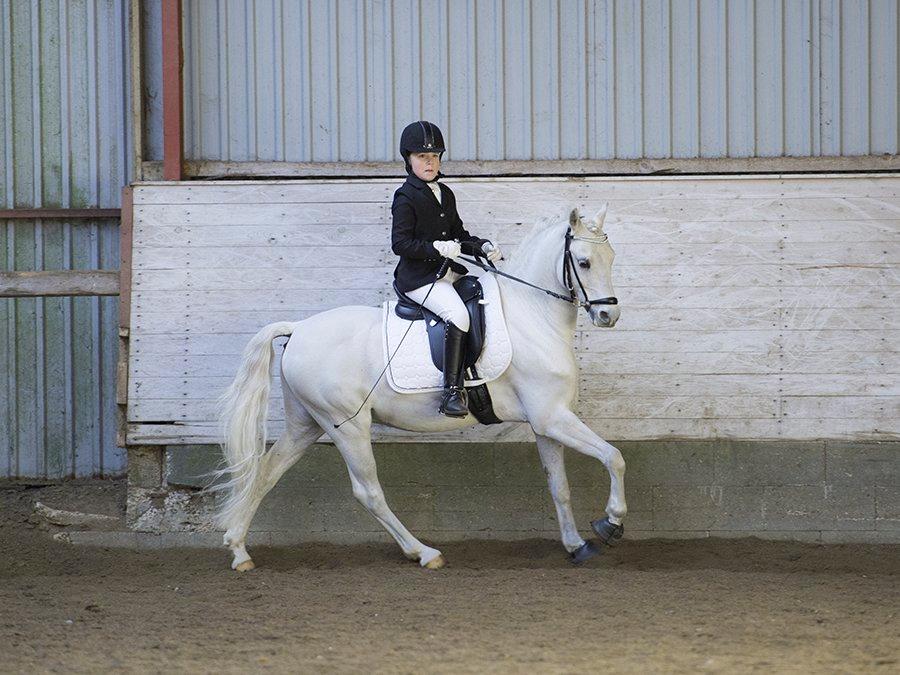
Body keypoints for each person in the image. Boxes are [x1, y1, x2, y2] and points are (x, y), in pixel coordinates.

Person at [391, 120, 503, 417]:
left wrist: (482, 246)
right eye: (422, 157)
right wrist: (435, 248)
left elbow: (459, 235)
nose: (430, 162)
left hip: (445, 274)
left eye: (435, 156)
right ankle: (451, 392)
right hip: (419, 279)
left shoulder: (445, 193)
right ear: (409, 159)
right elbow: (400, 244)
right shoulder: (405, 196)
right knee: (458, 315)